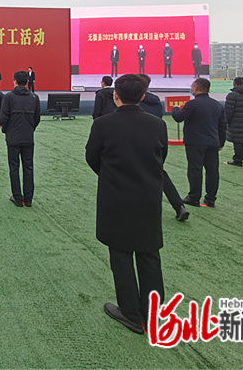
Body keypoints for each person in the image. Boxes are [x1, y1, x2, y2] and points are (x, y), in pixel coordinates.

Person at [85, 74, 167, 335]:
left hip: (116, 199)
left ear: (115, 95)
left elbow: (92, 157)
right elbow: (161, 158)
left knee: (120, 255)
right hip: (148, 199)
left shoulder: (102, 125)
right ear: (142, 96)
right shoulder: (157, 125)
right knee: (149, 255)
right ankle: (153, 314)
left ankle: (131, 313)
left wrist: (112, 176)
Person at [139, 75, 189, 222]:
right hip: (155, 142)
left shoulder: (135, 103)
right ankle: (179, 206)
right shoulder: (156, 102)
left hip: (136, 141)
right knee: (160, 173)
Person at [171, 78, 226, 207]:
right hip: (212, 142)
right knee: (212, 171)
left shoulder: (192, 104)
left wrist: (175, 109)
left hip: (195, 142)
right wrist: (221, 142)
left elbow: (179, 117)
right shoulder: (217, 105)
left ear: (196, 88)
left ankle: (194, 197)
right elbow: (222, 126)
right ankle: (210, 198)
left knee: (195, 169)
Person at [0, 70, 41, 207]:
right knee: (28, 167)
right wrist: (30, 129)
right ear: (27, 81)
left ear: (15, 81)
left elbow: (3, 118)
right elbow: (37, 118)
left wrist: (6, 130)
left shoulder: (8, 97)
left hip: (13, 137)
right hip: (28, 137)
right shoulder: (34, 97)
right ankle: (28, 199)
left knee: (14, 167)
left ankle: (17, 198)